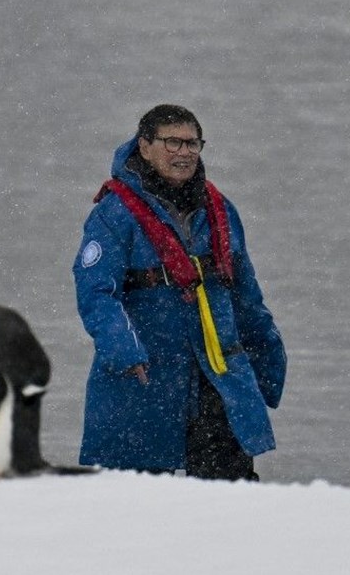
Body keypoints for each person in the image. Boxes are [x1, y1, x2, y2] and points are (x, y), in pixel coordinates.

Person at [72, 104, 286, 480]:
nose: (184, 152)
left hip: (217, 371)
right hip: (147, 374)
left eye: (192, 143)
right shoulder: (114, 214)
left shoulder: (220, 210)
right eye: (172, 142)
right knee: (140, 493)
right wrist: (122, 349)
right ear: (145, 146)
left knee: (231, 489)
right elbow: (96, 291)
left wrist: (267, 356)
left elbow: (246, 294)